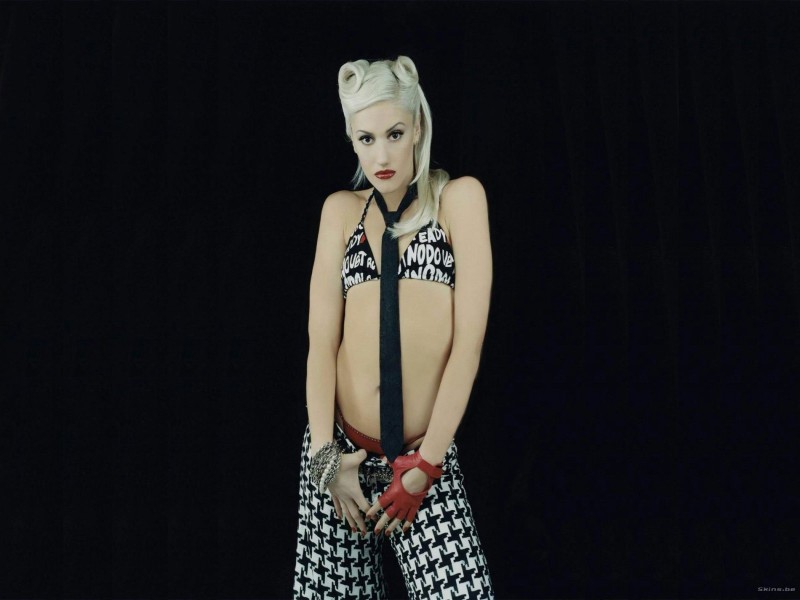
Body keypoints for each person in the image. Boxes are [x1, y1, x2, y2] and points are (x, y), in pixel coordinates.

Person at [293, 55, 495, 599]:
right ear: (351, 140)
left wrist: (426, 465)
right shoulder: (341, 211)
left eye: (394, 134)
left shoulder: (458, 200)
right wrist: (325, 462)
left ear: (418, 127)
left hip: (422, 457)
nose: (380, 156)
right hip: (338, 456)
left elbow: (468, 347)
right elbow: (321, 345)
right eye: (366, 139)